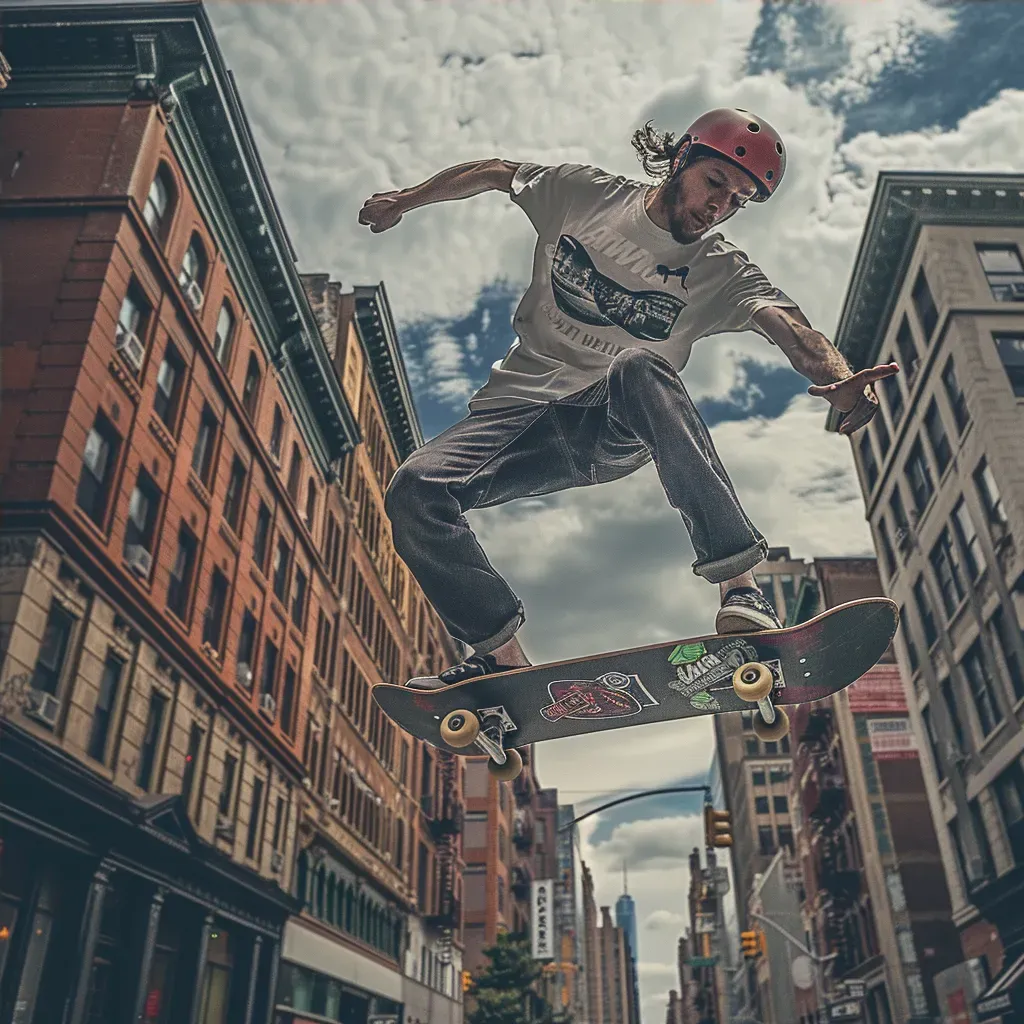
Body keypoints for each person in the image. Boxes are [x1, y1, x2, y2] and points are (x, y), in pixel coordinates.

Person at [358, 108, 898, 691]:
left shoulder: (722, 270)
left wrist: (841, 377)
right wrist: (404, 200)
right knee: (415, 489)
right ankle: (500, 657)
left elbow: (795, 331)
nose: (719, 207)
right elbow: (494, 172)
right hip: (515, 416)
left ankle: (740, 587)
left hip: (610, 427)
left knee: (639, 364)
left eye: (738, 200)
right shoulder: (582, 194)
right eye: (715, 183)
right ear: (682, 159)